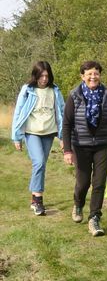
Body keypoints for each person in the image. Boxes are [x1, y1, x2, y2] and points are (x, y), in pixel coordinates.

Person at [62, 61, 107, 237]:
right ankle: (78, 203)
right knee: (83, 183)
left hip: (103, 144)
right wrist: (67, 150)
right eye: (89, 74)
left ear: (100, 75)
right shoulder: (75, 95)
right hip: (80, 145)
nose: (93, 77)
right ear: (82, 76)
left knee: (99, 182)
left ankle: (94, 217)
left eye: (96, 73)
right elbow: (66, 125)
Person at [11, 61, 65, 216]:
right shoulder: (28, 90)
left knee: (41, 165)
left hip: (49, 133)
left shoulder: (55, 90)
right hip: (32, 132)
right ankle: (37, 201)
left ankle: (35, 197)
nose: (44, 79)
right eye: (41, 76)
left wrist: (63, 137)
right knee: (39, 162)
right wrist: (16, 137)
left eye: (47, 76)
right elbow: (19, 112)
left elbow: (61, 112)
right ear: (36, 76)